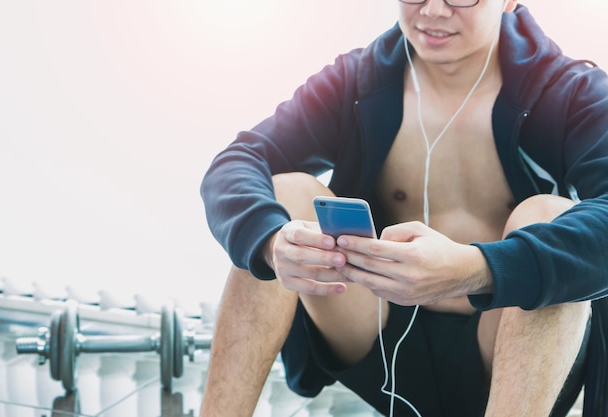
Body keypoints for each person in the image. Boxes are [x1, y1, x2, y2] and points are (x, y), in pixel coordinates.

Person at [200, 0, 608, 416]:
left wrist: (472, 269)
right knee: (280, 198)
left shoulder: (571, 92)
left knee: (550, 218)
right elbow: (237, 161)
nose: (432, 10)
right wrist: (270, 243)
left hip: (505, 358)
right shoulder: (357, 81)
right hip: (374, 337)